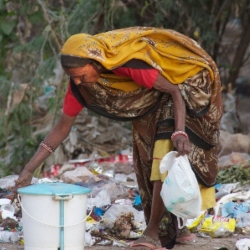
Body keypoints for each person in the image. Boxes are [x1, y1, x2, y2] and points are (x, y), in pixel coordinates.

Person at [14, 27, 222, 249]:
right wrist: (29, 169)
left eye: (80, 76)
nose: (77, 82)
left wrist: (179, 131)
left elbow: (174, 91)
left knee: (163, 158)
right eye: (72, 78)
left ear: (95, 62)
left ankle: (152, 233)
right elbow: (62, 128)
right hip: (151, 101)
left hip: (181, 90)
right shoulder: (79, 88)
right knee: (147, 161)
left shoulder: (130, 64)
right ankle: (174, 228)